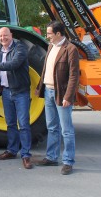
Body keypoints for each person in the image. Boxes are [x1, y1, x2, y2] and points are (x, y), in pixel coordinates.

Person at [35, 20, 80, 175]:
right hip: (48, 91)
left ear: (58, 34)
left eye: (49, 33)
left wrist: (68, 96)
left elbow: (74, 76)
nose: (47, 36)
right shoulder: (51, 46)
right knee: (52, 127)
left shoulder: (71, 49)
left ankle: (68, 161)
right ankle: (51, 157)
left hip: (61, 94)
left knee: (66, 130)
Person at [0, 27, 33, 169]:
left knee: (23, 124)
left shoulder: (20, 49)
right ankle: (12, 150)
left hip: (20, 92)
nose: (3, 38)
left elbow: (13, 64)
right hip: (6, 92)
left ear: (11, 35)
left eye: (5, 35)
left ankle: (26, 155)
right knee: (10, 123)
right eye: (0, 36)